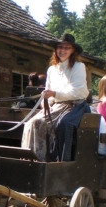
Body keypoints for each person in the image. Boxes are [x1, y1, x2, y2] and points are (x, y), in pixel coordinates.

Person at [21, 33, 90, 162]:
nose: (62, 50)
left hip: (74, 106)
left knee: (63, 124)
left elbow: (76, 91)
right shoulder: (52, 69)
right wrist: (46, 100)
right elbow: (49, 92)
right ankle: (30, 159)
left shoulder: (78, 67)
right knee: (30, 123)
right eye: (60, 47)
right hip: (56, 106)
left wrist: (54, 94)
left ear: (72, 50)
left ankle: (55, 160)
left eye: (67, 48)